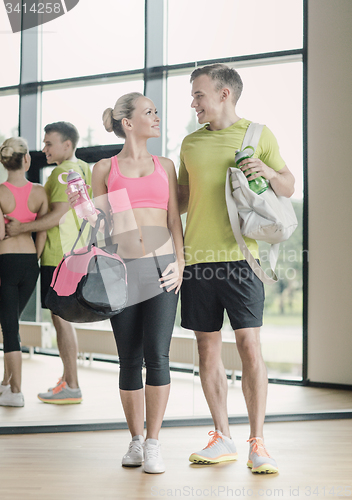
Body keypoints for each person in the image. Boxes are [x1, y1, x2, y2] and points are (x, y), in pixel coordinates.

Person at [178, 64, 295, 473]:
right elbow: (179, 198)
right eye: (193, 96)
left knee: (248, 344)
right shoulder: (190, 143)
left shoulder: (257, 135)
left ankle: (258, 443)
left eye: (199, 94)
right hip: (196, 260)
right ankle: (222, 436)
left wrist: (268, 172)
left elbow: (288, 184)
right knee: (207, 348)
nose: (194, 102)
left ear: (224, 94)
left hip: (242, 259)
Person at [67, 92, 184, 474]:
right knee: (129, 358)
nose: (157, 116)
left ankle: (153, 443)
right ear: (128, 123)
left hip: (162, 268)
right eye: (149, 111)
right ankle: (135, 440)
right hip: (122, 270)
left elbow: (173, 221)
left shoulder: (165, 165)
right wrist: (86, 208)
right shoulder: (105, 167)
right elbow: (101, 226)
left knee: (159, 356)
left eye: (156, 110)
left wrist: (180, 263)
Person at [5, 122, 92, 404]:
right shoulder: (82, 168)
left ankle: (72, 385)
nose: (45, 149)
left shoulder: (62, 172)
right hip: (75, 253)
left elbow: (58, 216)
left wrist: (19, 230)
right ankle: (69, 379)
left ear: (67, 145)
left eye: (49, 143)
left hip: (60, 256)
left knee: (61, 319)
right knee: (62, 319)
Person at [0, 137, 48, 407]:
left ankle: (16, 391)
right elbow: (42, 231)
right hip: (31, 264)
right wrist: (33, 259)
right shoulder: (40, 192)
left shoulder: (0, 192)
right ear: (26, 160)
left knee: (9, 328)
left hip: (6, 262)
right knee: (11, 323)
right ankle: (6, 383)